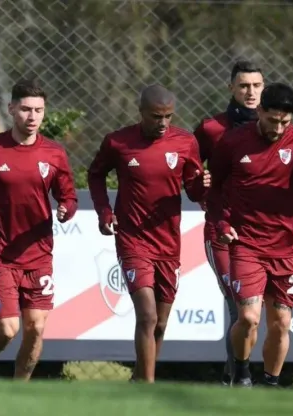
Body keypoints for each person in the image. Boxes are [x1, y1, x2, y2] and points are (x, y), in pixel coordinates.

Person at [207, 83, 293, 387]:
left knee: (281, 323)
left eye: (285, 122)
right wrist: (222, 224)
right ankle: (240, 372)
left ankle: (270, 385)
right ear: (260, 111)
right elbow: (214, 191)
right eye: (272, 120)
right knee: (250, 317)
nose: (278, 128)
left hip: (286, 250)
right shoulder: (233, 142)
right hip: (246, 245)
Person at [87, 85, 210, 383]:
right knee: (148, 316)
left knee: (161, 324)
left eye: (168, 116)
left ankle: (138, 380)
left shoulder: (185, 142)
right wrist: (104, 211)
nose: (163, 123)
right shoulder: (118, 142)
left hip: (168, 242)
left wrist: (203, 185)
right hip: (132, 240)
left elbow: (192, 191)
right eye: (157, 116)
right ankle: (149, 390)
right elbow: (95, 174)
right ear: (141, 112)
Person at [0, 79, 78, 380]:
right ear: (12, 109)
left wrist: (66, 209)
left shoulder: (54, 154)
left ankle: (18, 394)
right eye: (25, 109)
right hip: (0, 253)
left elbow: (69, 196)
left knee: (36, 328)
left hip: (38, 255)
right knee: (7, 329)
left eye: (38, 110)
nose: (32, 116)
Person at [193, 60, 264, 385]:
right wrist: (201, 184)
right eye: (244, 86)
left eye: (256, 86)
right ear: (231, 88)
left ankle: (232, 379)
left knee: (253, 315)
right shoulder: (211, 129)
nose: (250, 93)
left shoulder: (274, 126)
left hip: (262, 234)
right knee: (240, 308)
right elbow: (190, 175)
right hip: (221, 231)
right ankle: (239, 379)